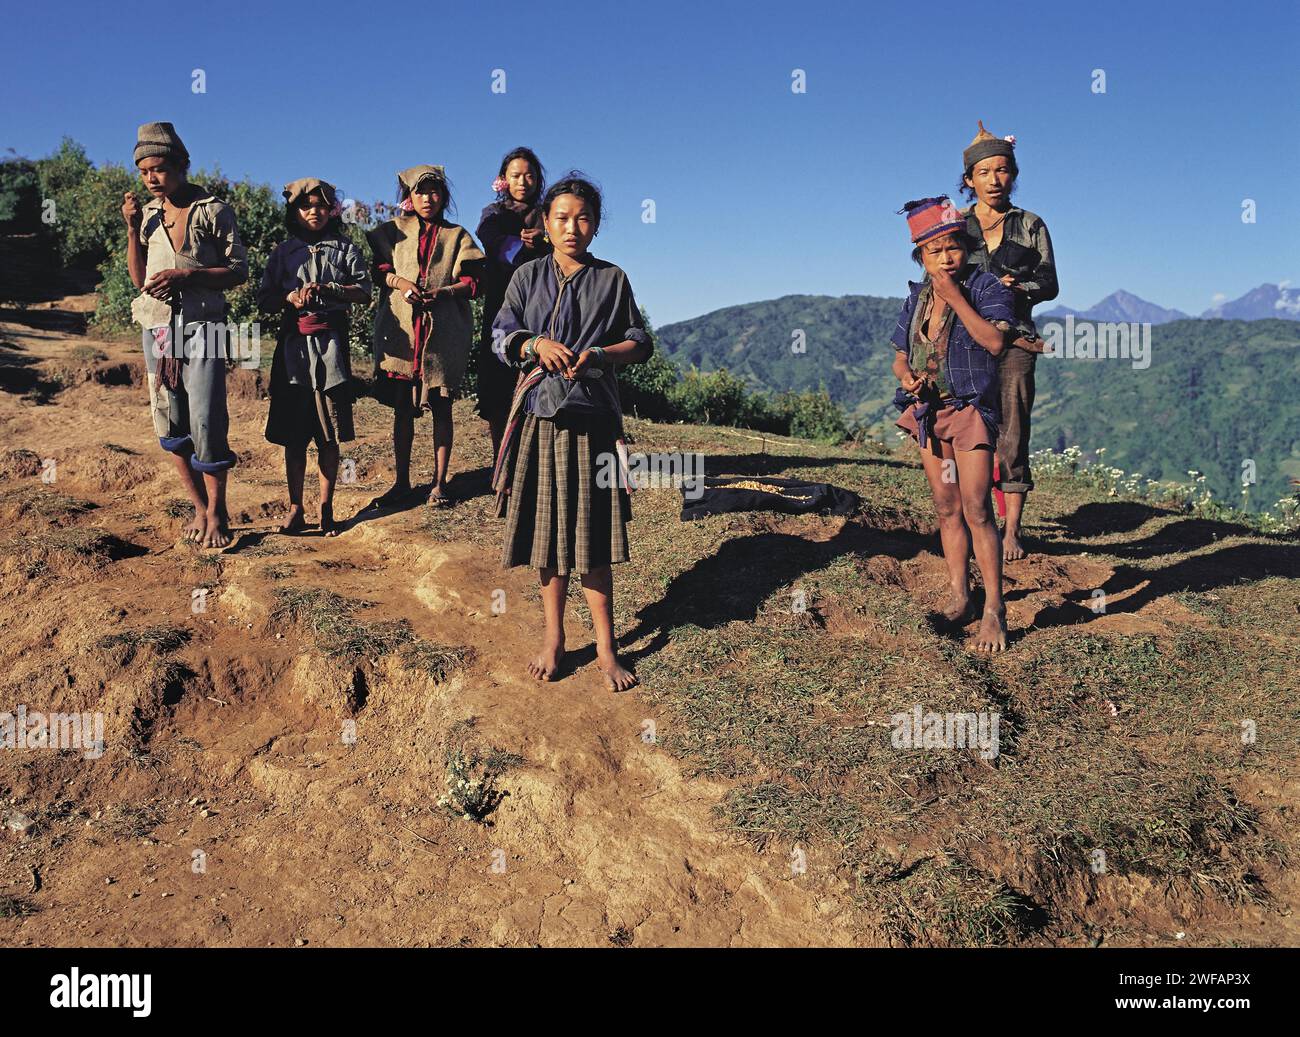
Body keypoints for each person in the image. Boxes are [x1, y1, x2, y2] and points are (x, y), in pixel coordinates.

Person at [491, 174, 653, 690]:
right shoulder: (526, 277)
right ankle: (554, 638)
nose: (572, 227)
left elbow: (639, 341)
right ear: (544, 221)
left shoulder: (612, 279)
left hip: (592, 421)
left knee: (594, 540)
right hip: (541, 417)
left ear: (596, 224)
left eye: (583, 217)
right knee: (547, 538)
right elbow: (500, 336)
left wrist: (600, 355)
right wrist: (535, 345)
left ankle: (606, 648)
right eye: (561, 217)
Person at [890, 197, 1015, 652]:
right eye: (934, 251)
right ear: (921, 257)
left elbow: (996, 342)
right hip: (929, 412)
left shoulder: (985, 289)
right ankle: (960, 595)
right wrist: (907, 377)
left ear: (966, 247)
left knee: (978, 507)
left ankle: (995, 609)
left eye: (953, 248)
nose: (945, 258)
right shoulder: (916, 297)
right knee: (946, 507)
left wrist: (956, 299)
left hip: (970, 413)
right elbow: (901, 352)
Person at [122, 121, 247, 548]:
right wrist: (130, 226)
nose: (151, 179)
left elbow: (238, 271)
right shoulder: (149, 216)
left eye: (159, 169)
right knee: (172, 418)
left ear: (181, 165)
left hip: (204, 327)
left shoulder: (213, 210)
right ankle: (198, 507)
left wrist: (185, 275)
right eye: (143, 172)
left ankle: (218, 510)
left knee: (207, 417)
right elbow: (139, 278)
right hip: (158, 328)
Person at [958, 121, 1059, 561]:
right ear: (969, 180)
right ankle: (974, 519)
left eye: (1002, 170)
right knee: (969, 429)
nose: (994, 179)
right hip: (966, 342)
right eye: (984, 172)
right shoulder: (955, 228)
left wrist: (1015, 288)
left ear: (1012, 175)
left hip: (1016, 341)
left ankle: (1012, 529)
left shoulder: (1031, 225)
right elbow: (937, 278)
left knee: (1013, 430)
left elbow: (1050, 283)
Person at [257, 178, 371, 536]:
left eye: (321, 205)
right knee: (294, 436)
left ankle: (326, 507)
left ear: (332, 210)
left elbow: (365, 290)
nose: (314, 212)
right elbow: (264, 299)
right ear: (295, 211)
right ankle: (295, 508)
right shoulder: (282, 253)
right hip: (293, 352)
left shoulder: (345, 250)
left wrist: (332, 289)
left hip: (332, 354)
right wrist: (289, 299)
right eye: (306, 206)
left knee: (328, 435)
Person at [366, 166, 485, 508]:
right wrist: (402, 284)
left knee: (441, 408)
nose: (427, 198)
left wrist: (446, 292)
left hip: (442, 335)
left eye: (434, 191)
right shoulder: (394, 231)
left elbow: (475, 282)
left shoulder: (457, 236)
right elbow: (379, 270)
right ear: (409, 196)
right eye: (420, 192)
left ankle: (439, 483)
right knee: (402, 411)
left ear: (444, 196)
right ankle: (402, 482)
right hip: (402, 334)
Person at [476, 147, 551, 460]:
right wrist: (523, 245)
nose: (524, 181)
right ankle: (501, 460)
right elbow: (491, 241)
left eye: (530, 174)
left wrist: (545, 240)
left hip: (542, 309)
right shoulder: (492, 215)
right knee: (497, 385)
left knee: (538, 380)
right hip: (501, 306)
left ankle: (532, 461)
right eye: (516, 175)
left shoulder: (548, 215)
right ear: (503, 179)